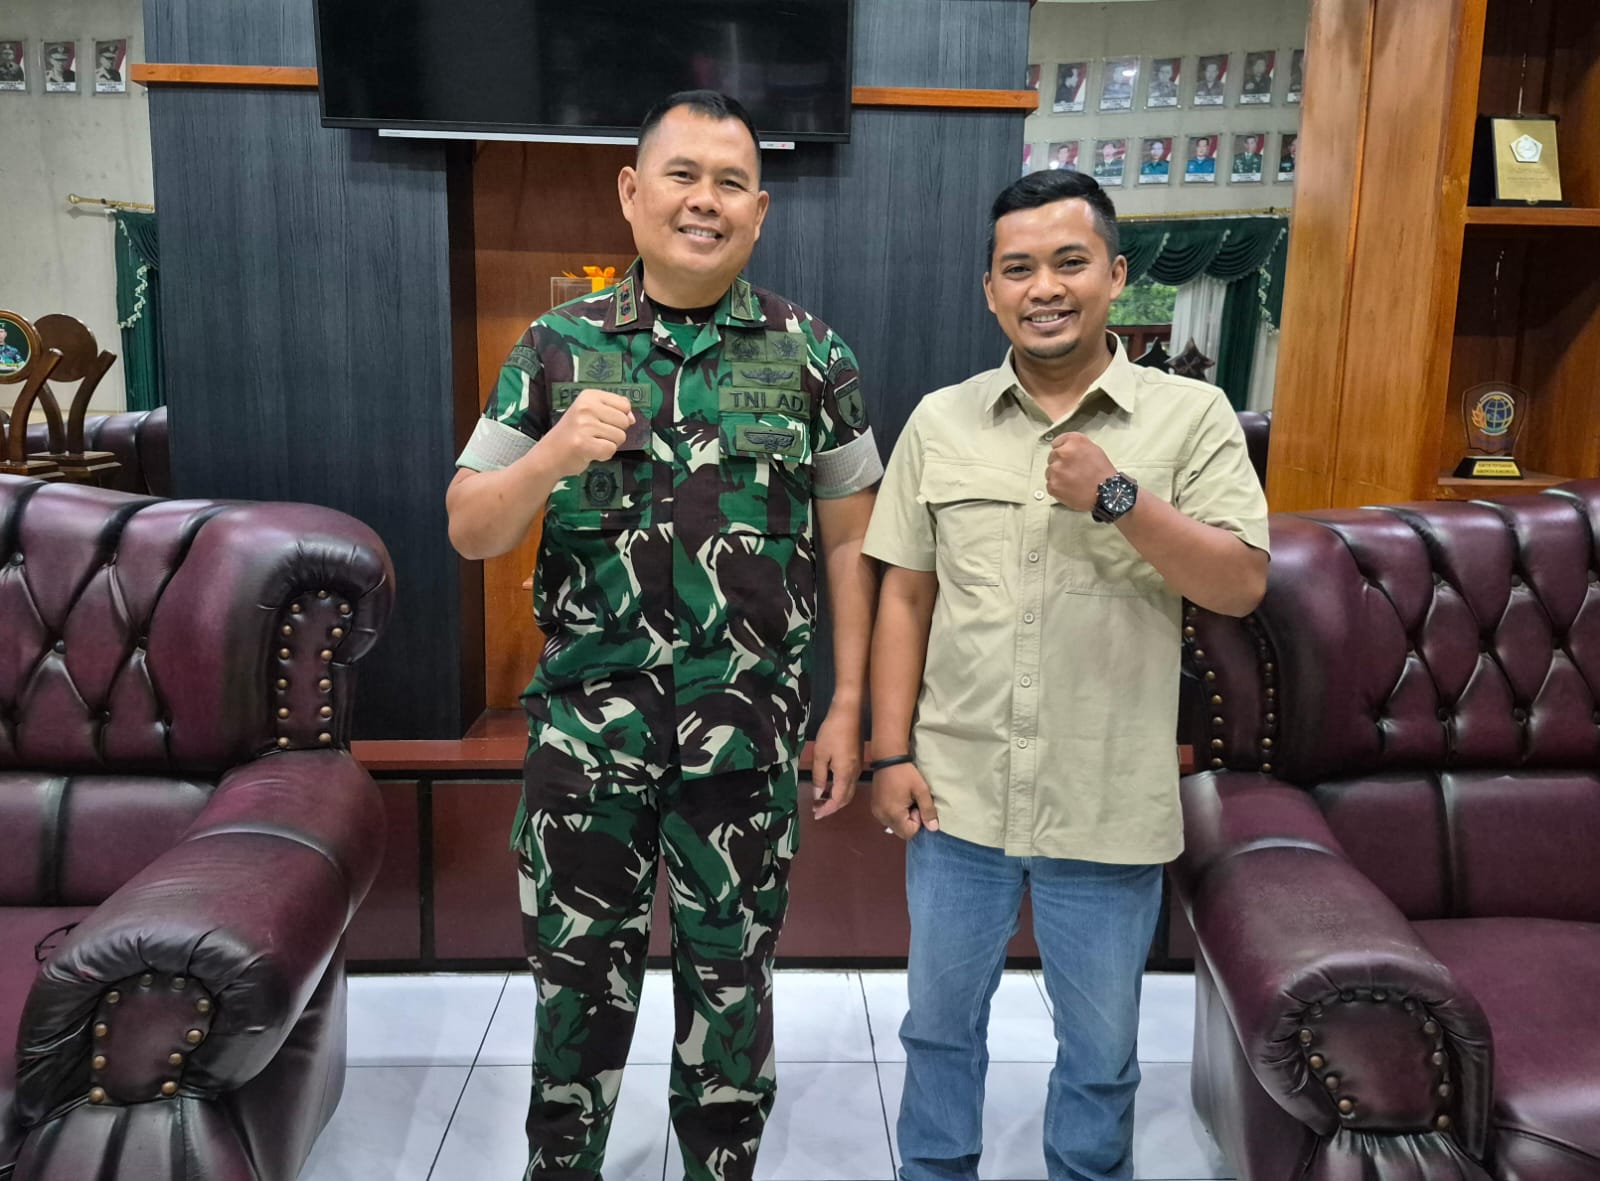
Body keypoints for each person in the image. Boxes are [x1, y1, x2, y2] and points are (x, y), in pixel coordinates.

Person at [445, 90, 882, 1181]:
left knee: (732, 992)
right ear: (632, 193)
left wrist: (848, 706)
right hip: (587, 746)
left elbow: (851, 546)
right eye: (682, 175)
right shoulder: (554, 347)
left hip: (746, 745)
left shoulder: (812, 353)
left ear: (759, 211)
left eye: (731, 182)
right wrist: (552, 455)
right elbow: (469, 527)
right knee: (574, 989)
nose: (704, 201)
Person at [864, 167, 1269, 1181]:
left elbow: (1238, 583)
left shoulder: (1192, 416)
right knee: (936, 1028)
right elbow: (905, 594)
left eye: (1069, 261)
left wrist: (1120, 496)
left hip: (1106, 794)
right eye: (1018, 268)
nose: (1043, 287)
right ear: (990, 289)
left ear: (1115, 275)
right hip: (957, 792)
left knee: (1099, 1054)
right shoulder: (941, 420)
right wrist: (889, 752)